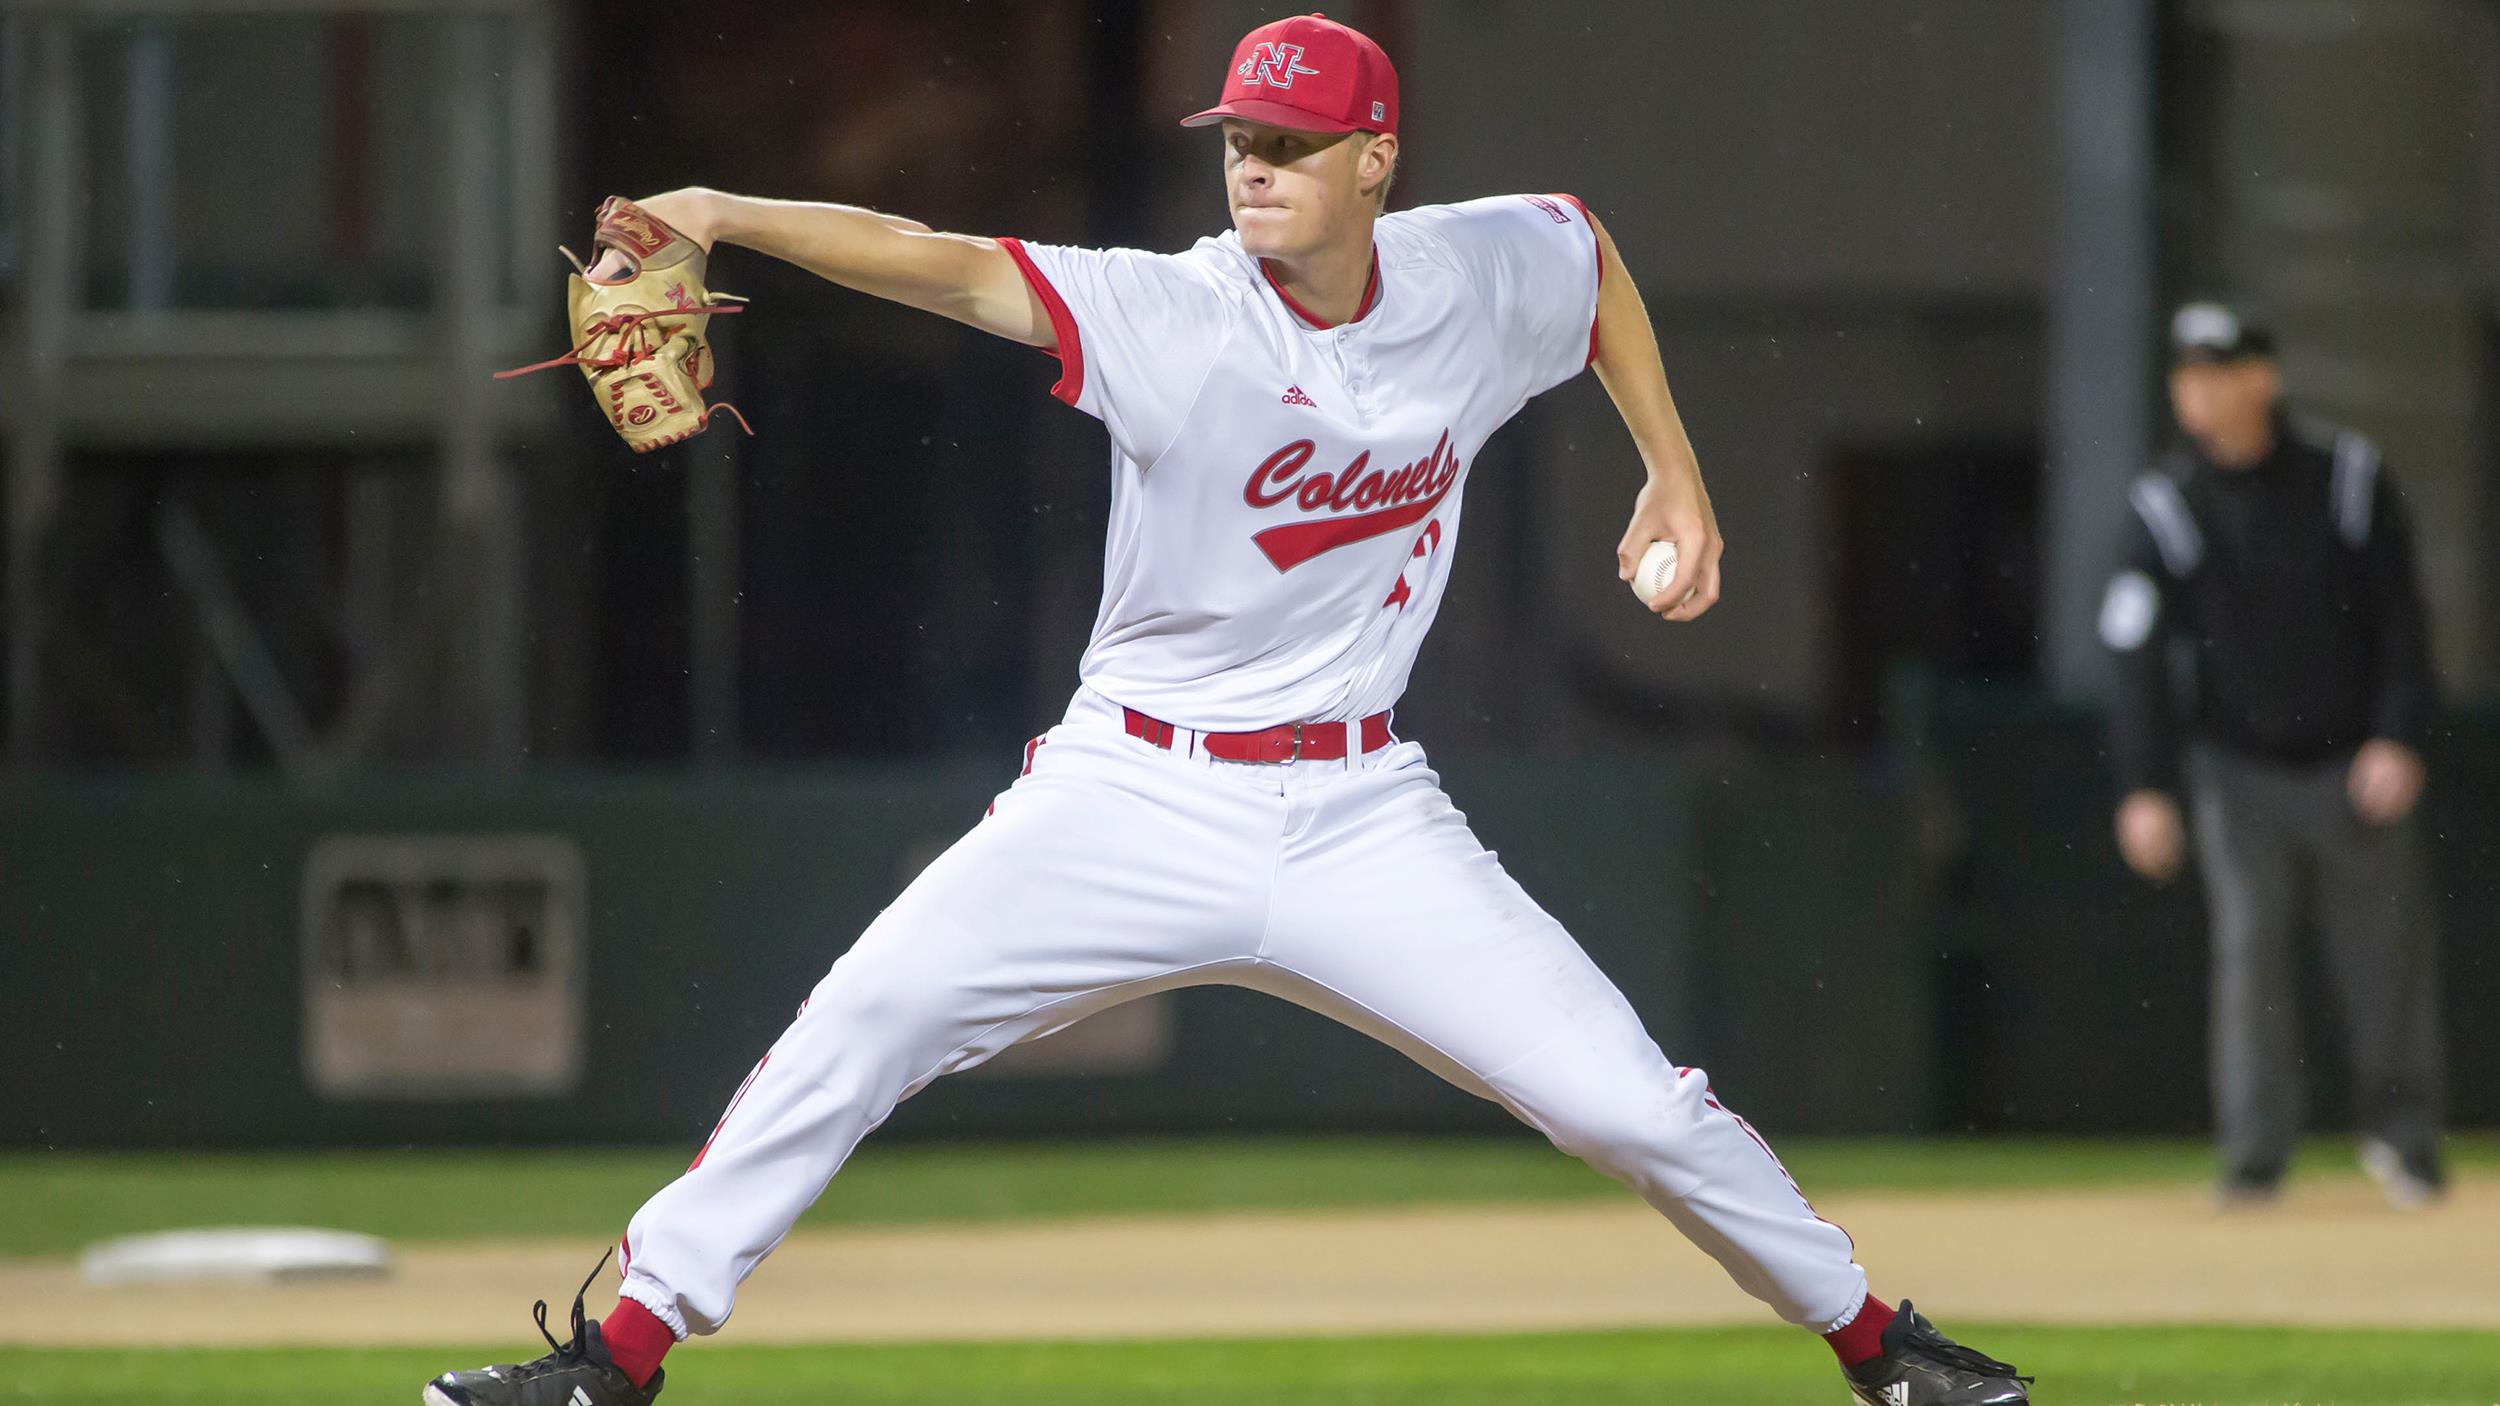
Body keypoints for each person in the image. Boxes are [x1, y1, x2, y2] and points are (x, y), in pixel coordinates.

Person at [427, 16, 2030, 1406]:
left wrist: (1672, 463)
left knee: (1631, 1103)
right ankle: (614, 1357)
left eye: (1289, 142)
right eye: (1238, 138)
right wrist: (720, 211)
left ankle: (1883, 1343)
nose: (1250, 165)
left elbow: (1592, 257)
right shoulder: (1175, 312)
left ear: (1375, 162)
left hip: (1360, 811)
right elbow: (939, 256)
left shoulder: (1474, 273)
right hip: (1131, 791)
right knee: (862, 1024)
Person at [2102, 300, 2445, 1210]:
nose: (2201, 392)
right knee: (2248, 958)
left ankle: (2404, 1140)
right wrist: (2144, 786)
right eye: (2188, 375)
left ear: (2265, 379)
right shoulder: (2168, 504)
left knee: (2383, 958)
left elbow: (2404, 625)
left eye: (2219, 371)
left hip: (2348, 763)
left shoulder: (2348, 481)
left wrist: (2399, 735)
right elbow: (2134, 656)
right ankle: (2255, 1156)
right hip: (2237, 770)